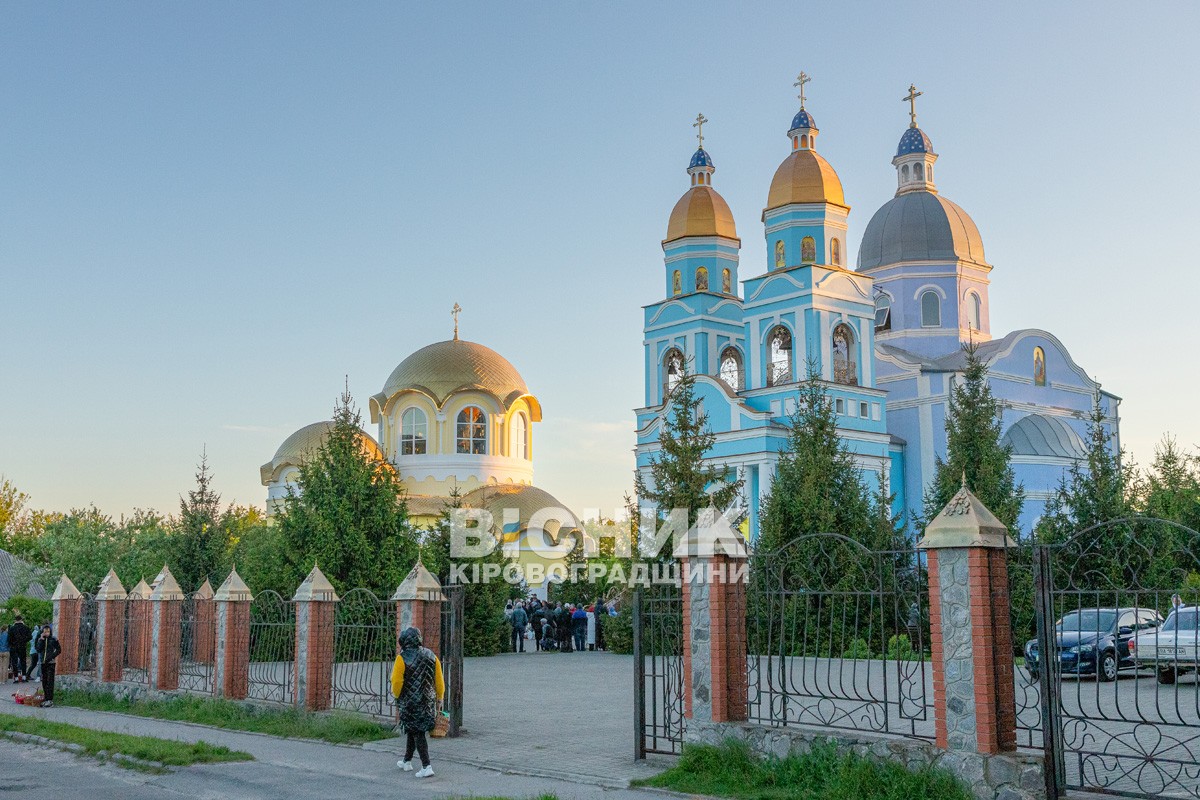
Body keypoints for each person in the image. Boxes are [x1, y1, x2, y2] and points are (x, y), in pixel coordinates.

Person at [391, 627, 444, 779]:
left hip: (410, 702)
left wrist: (396, 695)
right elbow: (439, 679)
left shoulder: (402, 658)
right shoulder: (431, 655)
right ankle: (406, 761)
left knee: (417, 732)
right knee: (413, 730)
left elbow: (396, 682)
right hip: (427, 700)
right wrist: (440, 697)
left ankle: (426, 766)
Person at [34, 624, 61, 707]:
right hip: (43, 662)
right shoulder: (40, 639)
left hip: (51, 663)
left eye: (48, 631)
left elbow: (59, 650)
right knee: (44, 681)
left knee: (50, 681)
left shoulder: (53, 639)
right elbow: (38, 649)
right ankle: (46, 698)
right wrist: (41, 640)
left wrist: (52, 656)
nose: (47, 633)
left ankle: (50, 699)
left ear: (50, 632)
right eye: (45, 631)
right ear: (42, 632)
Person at [8, 614, 31, 682]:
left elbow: (9, 639)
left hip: (14, 647)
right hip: (22, 646)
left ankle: (16, 678)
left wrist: (12, 643)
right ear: (21, 620)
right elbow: (30, 637)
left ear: (15, 620)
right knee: (23, 661)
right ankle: (24, 677)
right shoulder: (26, 627)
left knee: (14, 662)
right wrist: (24, 640)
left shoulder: (12, 628)